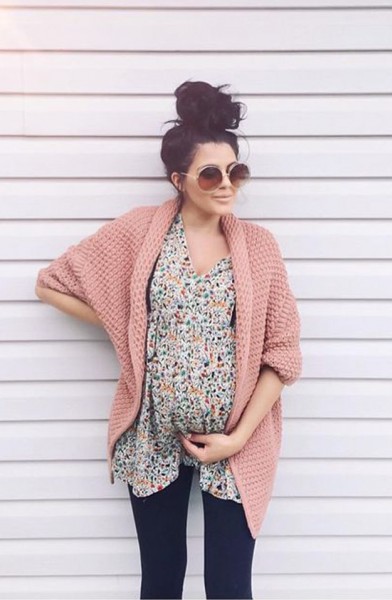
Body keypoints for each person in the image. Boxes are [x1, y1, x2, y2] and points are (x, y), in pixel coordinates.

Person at [36, 80, 303, 600]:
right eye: (211, 173)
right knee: (160, 582)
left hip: (236, 441)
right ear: (179, 179)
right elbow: (51, 284)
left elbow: (283, 354)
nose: (226, 185)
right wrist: (128, 323)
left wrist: (237, 438)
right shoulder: (142, 232)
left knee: (230, 587)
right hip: (153, 437)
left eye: (235, 172)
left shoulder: (260, 247)